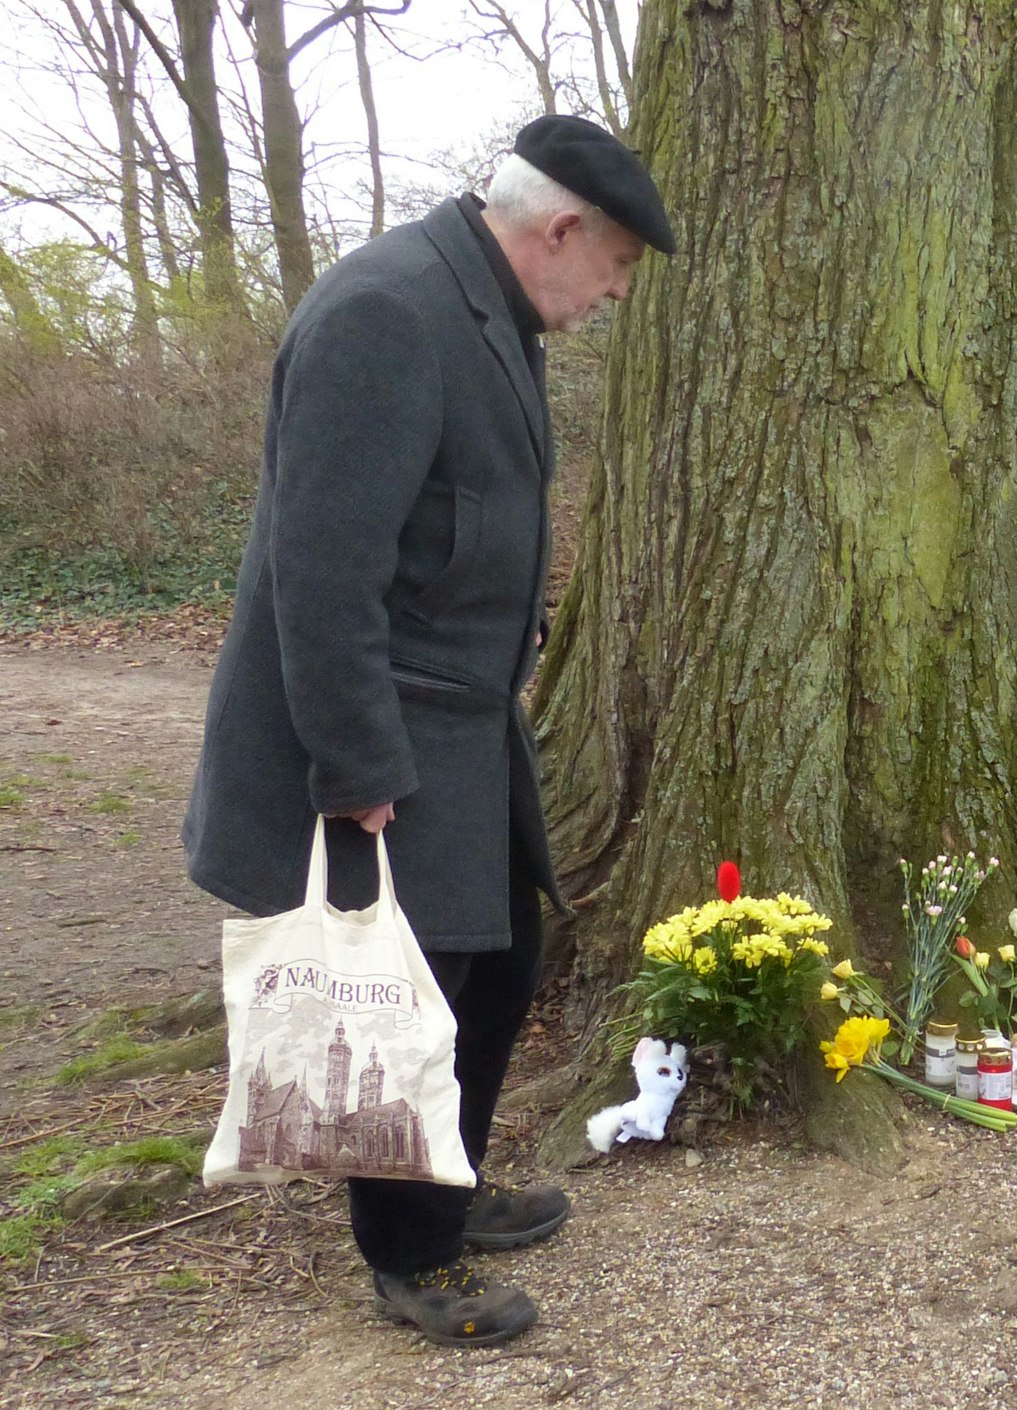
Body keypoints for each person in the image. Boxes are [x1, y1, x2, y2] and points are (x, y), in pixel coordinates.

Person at [183, 115, 675, 1344]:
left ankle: (442, 1177)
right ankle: (412, 1256)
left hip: (460, 715)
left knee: (500, 962)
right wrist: (352, 764)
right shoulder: (387, 313)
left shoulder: (479, 306)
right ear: (559, 228)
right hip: (381, 730)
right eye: (613, 267)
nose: (611, 295)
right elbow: (321, 565)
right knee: (417, 990)